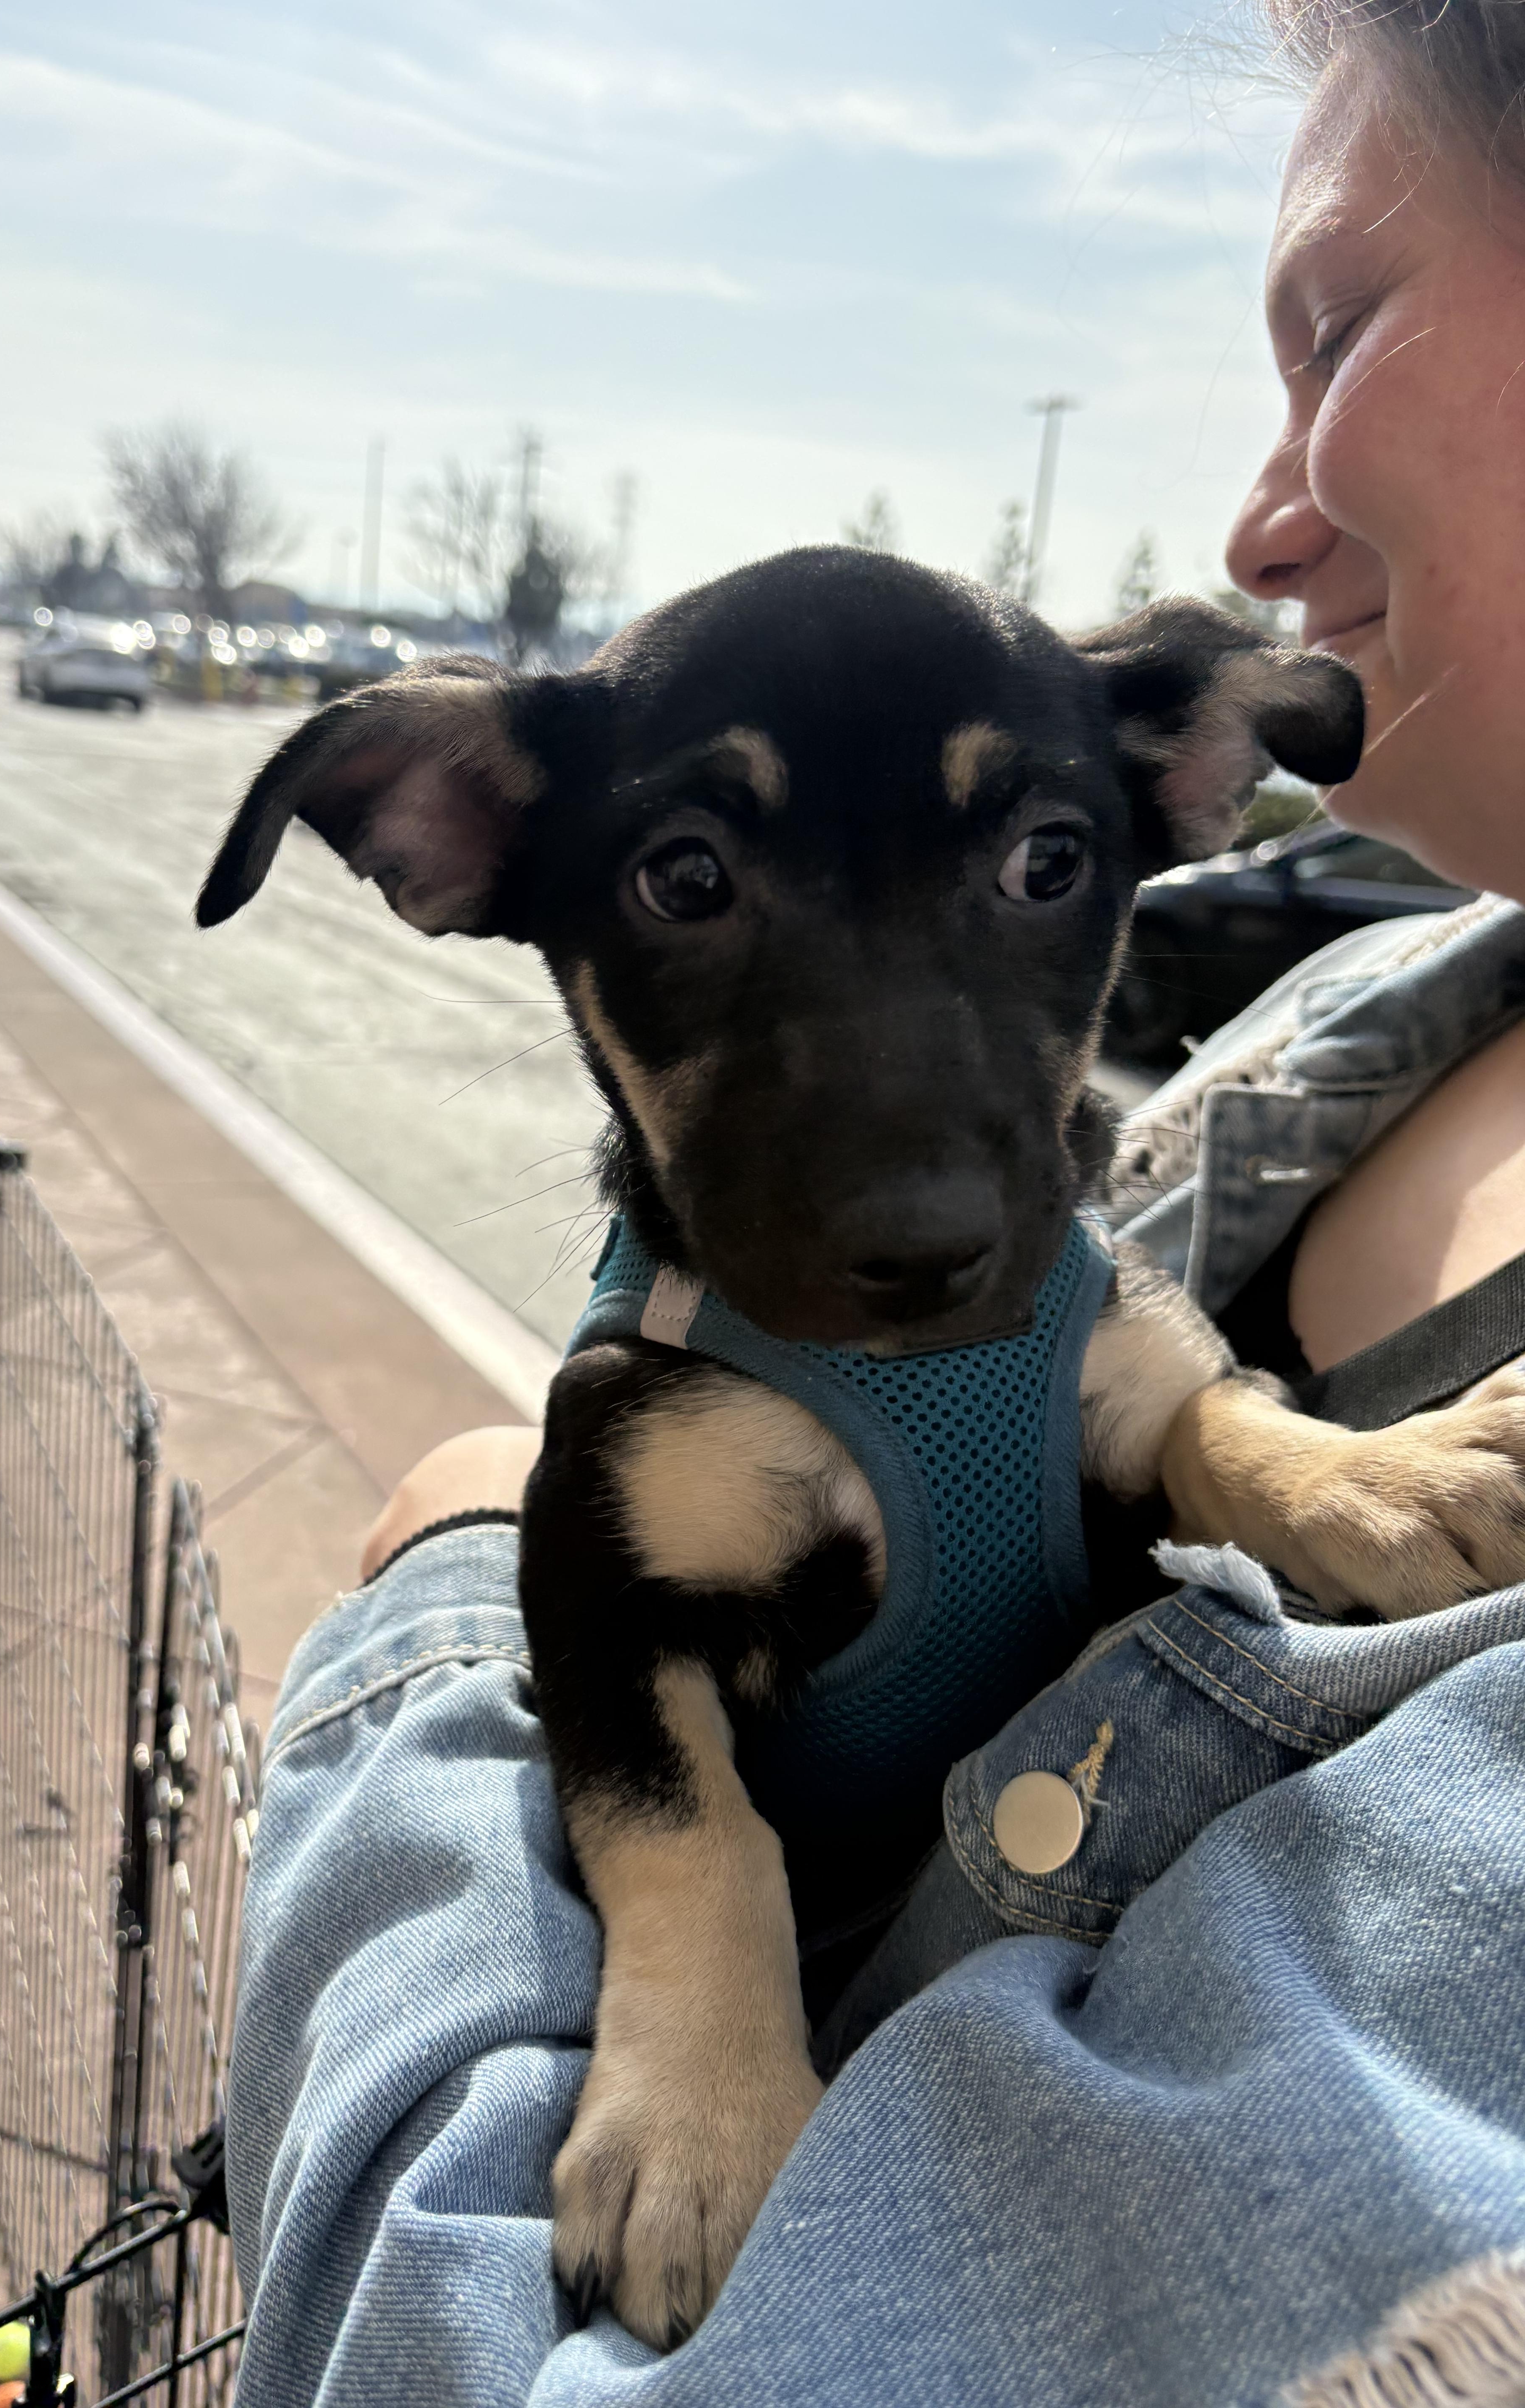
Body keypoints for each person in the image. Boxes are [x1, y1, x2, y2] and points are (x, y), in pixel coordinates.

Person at [224, 8, 1525, 2400]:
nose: (925, 1147)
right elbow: (1136, 1400)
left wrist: (431, 1582)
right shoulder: (1327, 1067)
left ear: (1166, 795)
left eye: (1333, 325)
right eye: (696, 876)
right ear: (457, 845)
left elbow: (1162, 1400)